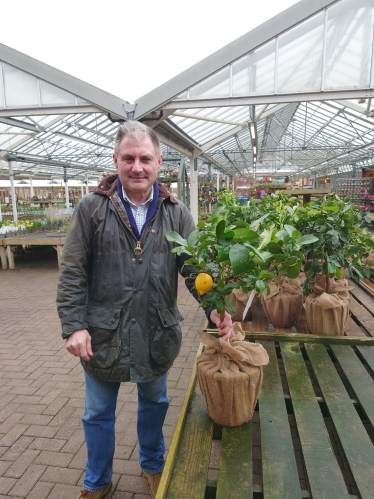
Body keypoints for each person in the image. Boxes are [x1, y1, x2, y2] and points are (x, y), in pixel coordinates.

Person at [56, 121, 232, 499]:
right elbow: (72, 270)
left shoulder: (176, 212)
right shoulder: (92, 209)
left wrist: (215, 308)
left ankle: (153, 464)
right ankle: (97, 480)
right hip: (103, 334)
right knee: (97, 412)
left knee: (155, 402)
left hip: (156, 330)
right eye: (129, 158)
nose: (138, 167)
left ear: (159, 162)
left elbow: (194, 268)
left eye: (145, 159)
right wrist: (73, 326)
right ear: (116, 160)